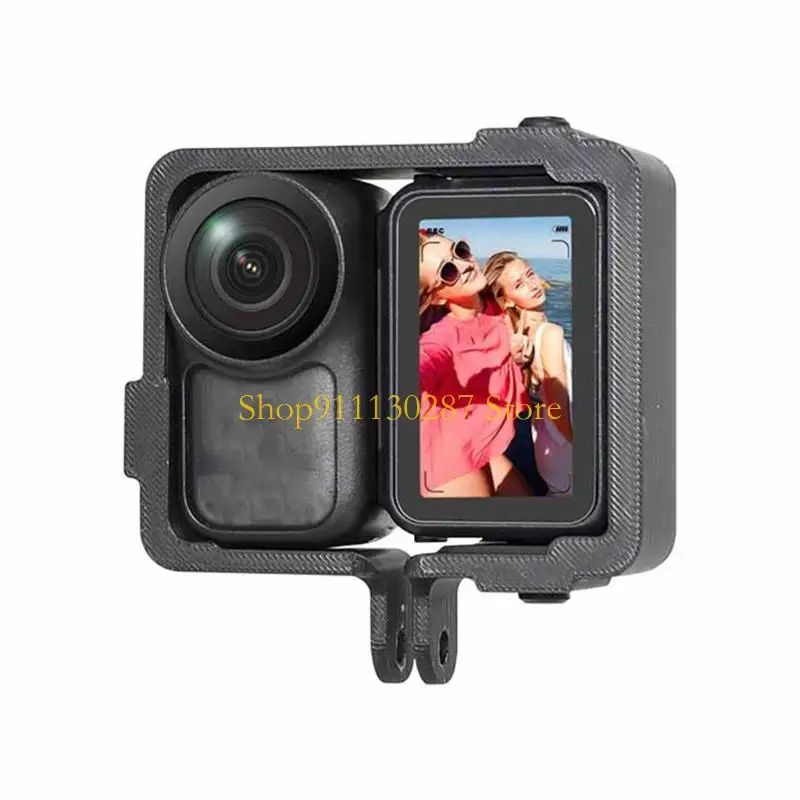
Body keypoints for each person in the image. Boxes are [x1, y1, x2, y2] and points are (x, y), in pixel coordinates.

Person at [418, 232, 532, 497]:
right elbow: (423, 363)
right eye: (448, 271)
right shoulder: (440, 339)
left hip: (481, 435)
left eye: (460, 250)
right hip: (444, 446)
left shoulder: (495, 305)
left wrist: (523, 358)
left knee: (531, 509)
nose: (464, 265)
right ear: (437, 298)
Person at [483, 251, 573, 496]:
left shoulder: (523, 336)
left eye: (530, 275)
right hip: (564, 447)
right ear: (508, 301)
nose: (532, 285)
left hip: (546, 446)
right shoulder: (550, 333)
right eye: (519, 285)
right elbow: (558, 410)